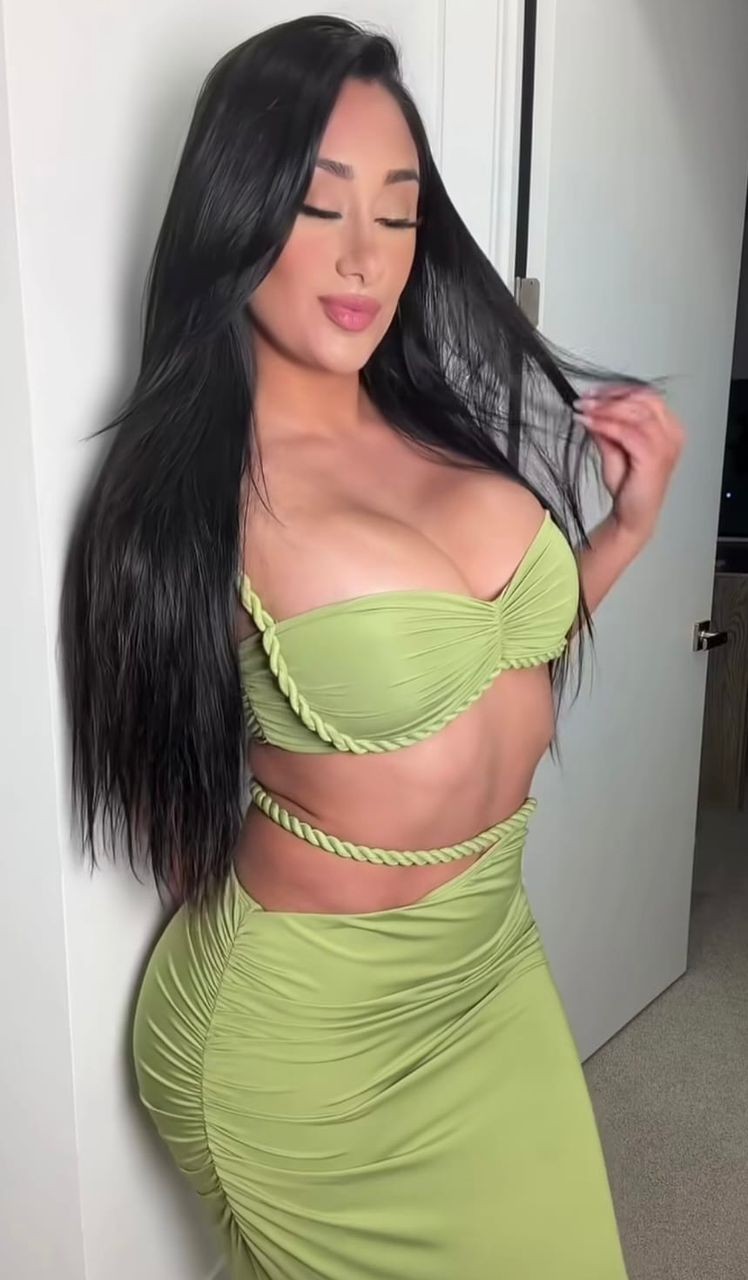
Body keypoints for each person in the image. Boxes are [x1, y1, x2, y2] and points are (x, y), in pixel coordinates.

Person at [60, 14, 684, 1280]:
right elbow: (174, 790)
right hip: (303, 1038)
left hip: (488, 960)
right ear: (238, 212)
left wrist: (624, 530)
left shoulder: (437, 421)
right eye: (318, 205)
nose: (365, 255)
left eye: (397, 213)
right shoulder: (194, 494)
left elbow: (496, 661)